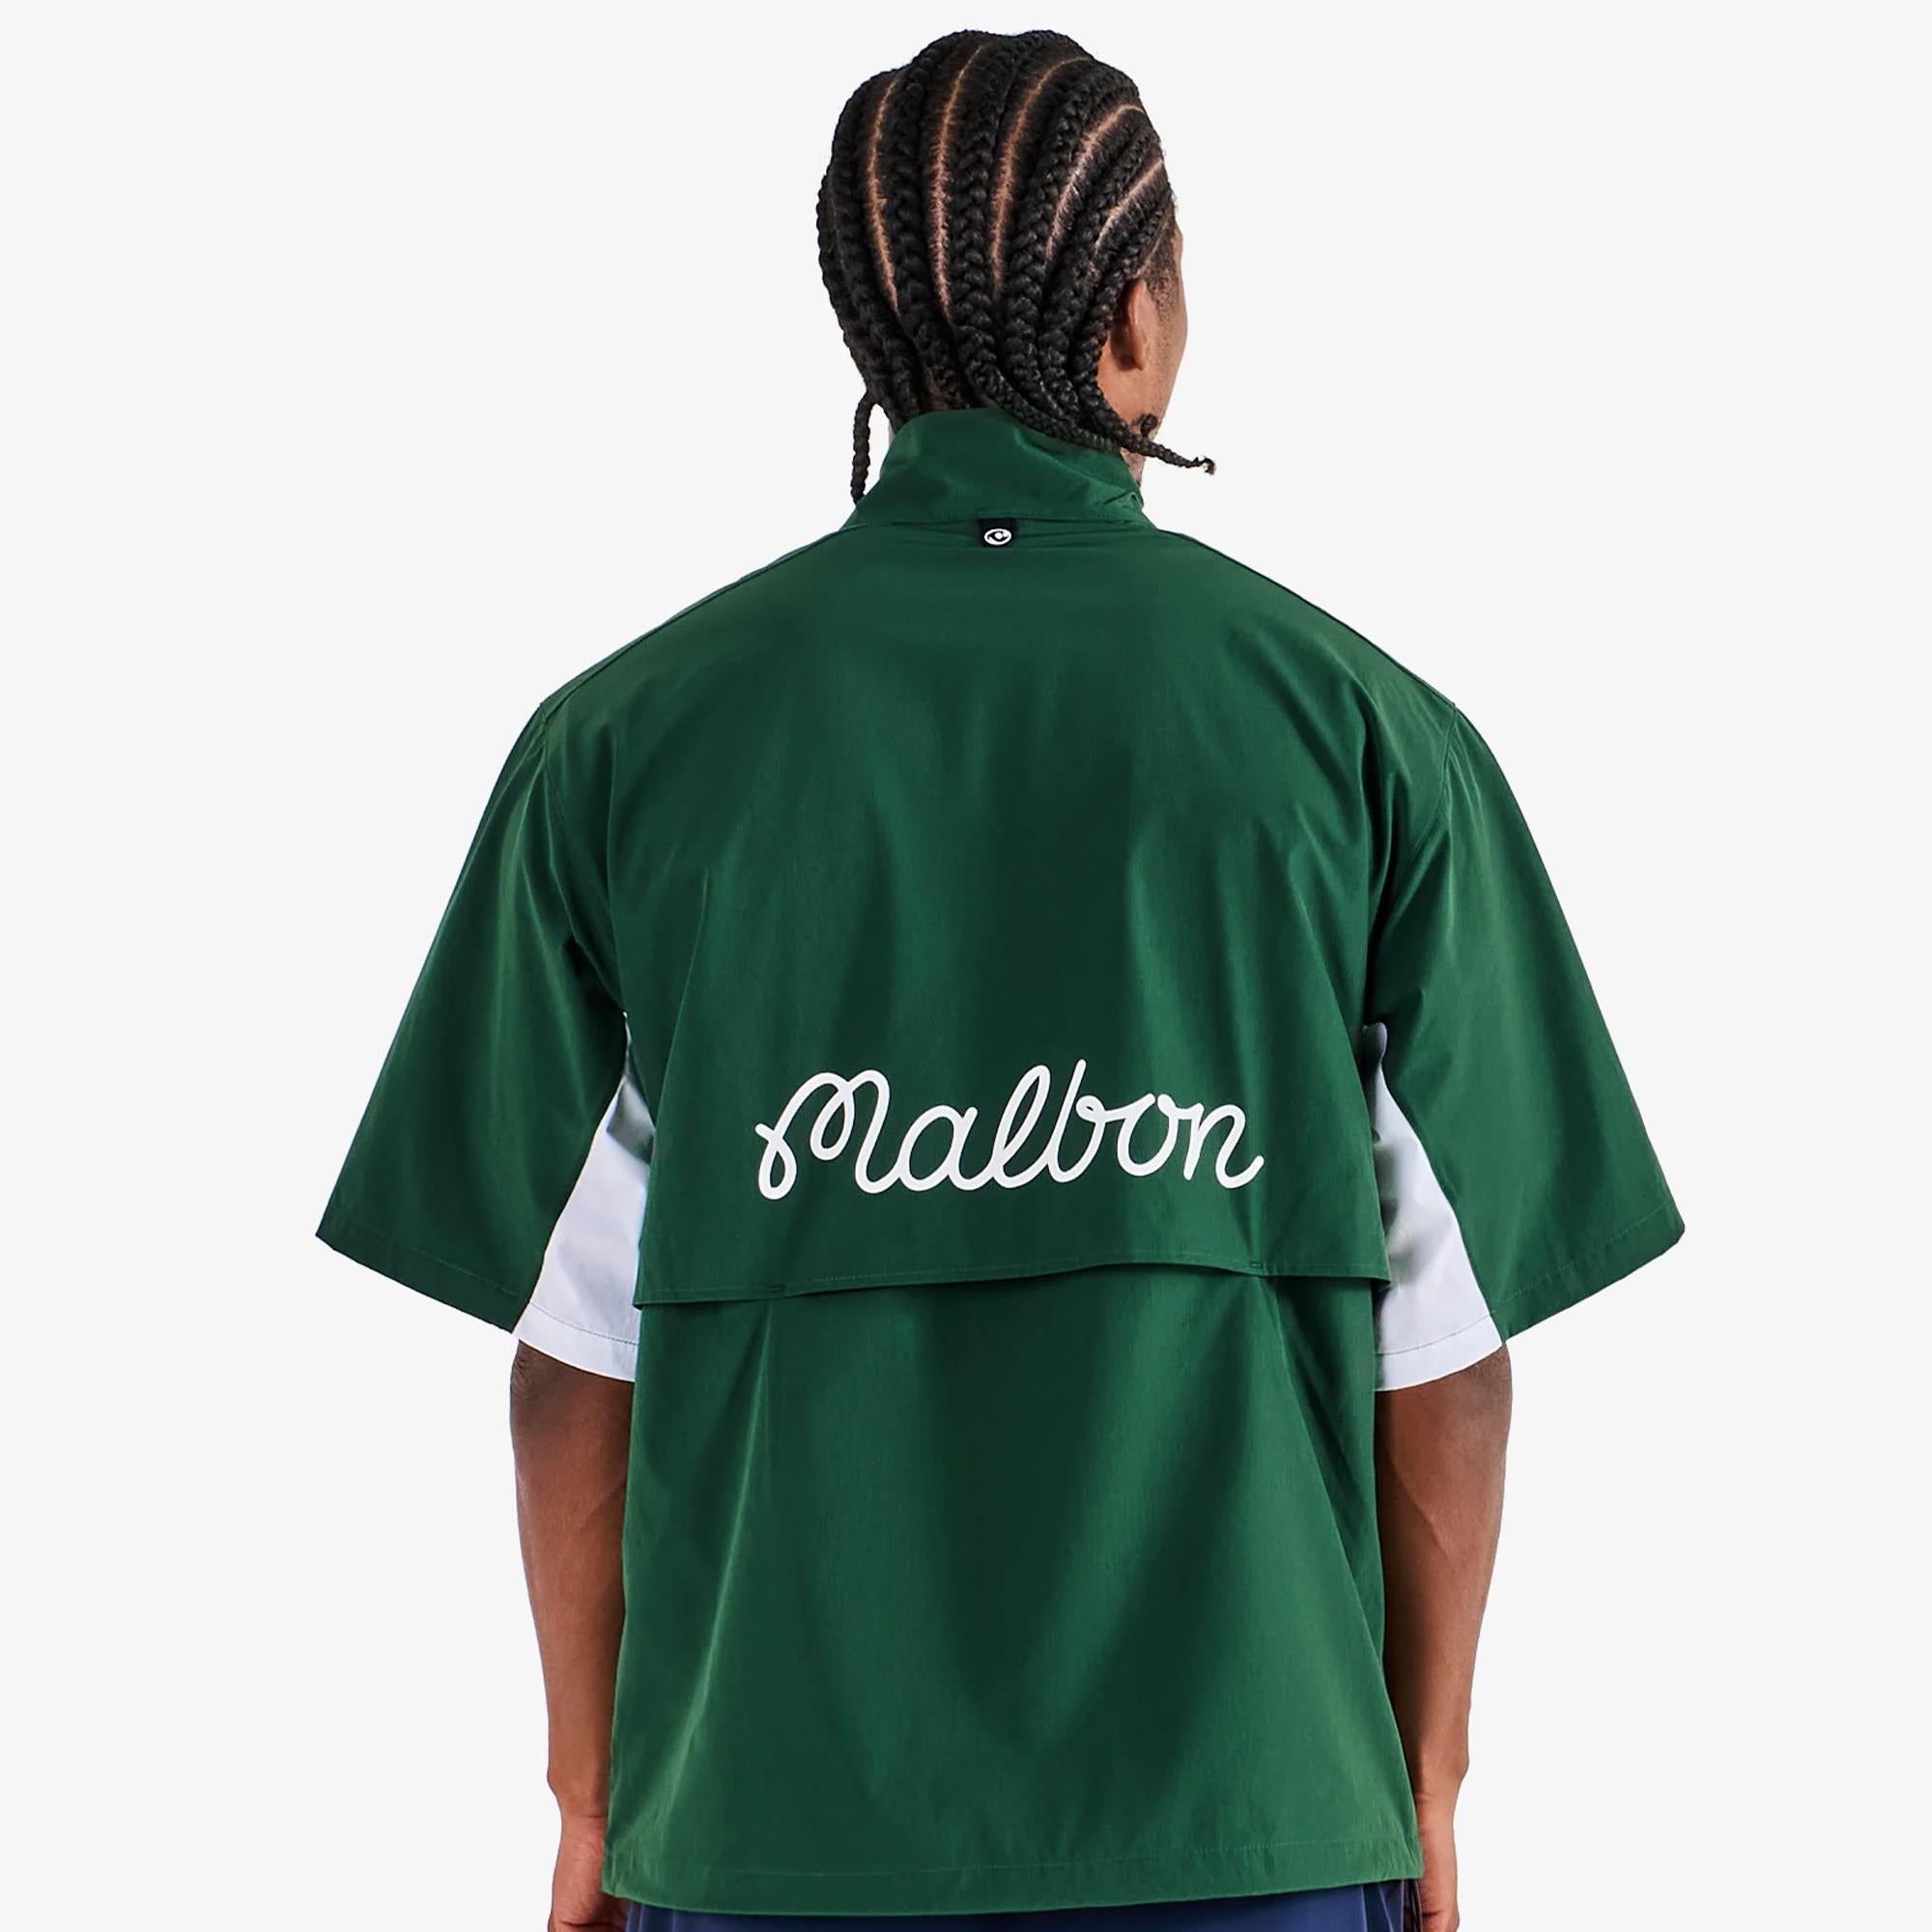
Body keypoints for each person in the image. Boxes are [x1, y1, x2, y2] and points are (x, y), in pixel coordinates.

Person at [319, 29, 1682, 1932]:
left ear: (870, 332)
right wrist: (1426, 1774)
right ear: (1137, 317)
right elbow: (1443, 1350)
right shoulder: (1367, 739)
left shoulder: (619, 749)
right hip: (1257, 1824)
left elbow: (574, 1356)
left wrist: (591, 1792)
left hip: (767, 1830)